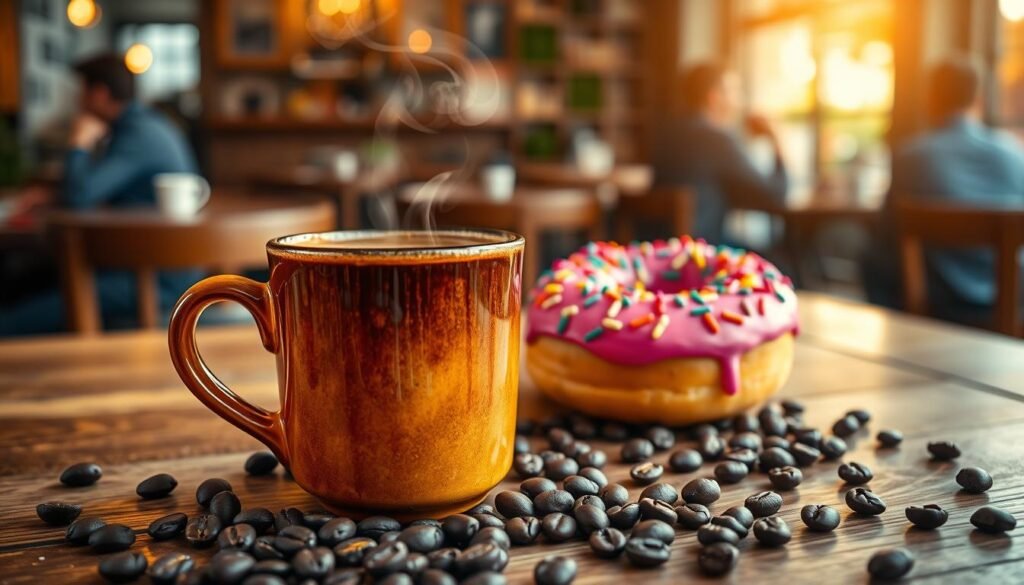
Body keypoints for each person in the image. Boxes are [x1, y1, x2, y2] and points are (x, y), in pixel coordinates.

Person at [0, 54, 202, 336]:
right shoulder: (143, 125)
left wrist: (79, 142)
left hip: (152, 277)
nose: (77, 102)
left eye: (80, 92)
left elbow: (79, 197)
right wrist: (51, 193)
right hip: (137, 263)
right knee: (24, 278)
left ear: (99, 94)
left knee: (11, 317)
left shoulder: (138, 134)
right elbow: (95, 189)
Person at [868, 56, 1024, 320]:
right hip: (1014, 307)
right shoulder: (1015, 156)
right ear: (979, 98)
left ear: (931, 100)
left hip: (937, 309)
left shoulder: (909, 157)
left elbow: (884, 231)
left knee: (873, 253)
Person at [652, 62, 789, 244]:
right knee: (782, 264)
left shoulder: (667, 135)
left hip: (658, 250)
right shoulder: (716, 140)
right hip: (704, 251)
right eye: (735, 91)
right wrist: (776, 138)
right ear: (715, 98)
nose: (740, 101)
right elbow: (774, 195)